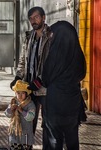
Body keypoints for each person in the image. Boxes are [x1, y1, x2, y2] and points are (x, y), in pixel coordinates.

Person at [10, 6, 52, 147]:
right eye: (31, 18)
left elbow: (51, 64)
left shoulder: (51, 36)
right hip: (29, 88)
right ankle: (27, 147)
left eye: (36, 17)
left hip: (45, 89)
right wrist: (18, 77)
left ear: (43, 17)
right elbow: (22, 60)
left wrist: (40, 81)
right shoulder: (28, 37)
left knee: (48, 123)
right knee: (27, 121)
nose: (33, 21)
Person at [42, 21, 87, 150]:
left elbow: (45, 78)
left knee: (54, 140)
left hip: (55, 104)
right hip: (72, 104)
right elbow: (82, 74)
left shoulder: (53, 54)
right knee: (72, 139)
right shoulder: (77, 53)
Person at [5, 80, 36, 150]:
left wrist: (21, 111)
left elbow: (31, 117)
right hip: (15, 133)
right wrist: (10, 109)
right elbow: (7, 114)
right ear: (15, 93)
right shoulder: (13, 102)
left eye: (22, 93)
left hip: (26, 134)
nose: (20, 95)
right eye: (18, 93)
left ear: (27, 94)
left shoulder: (30, 104)